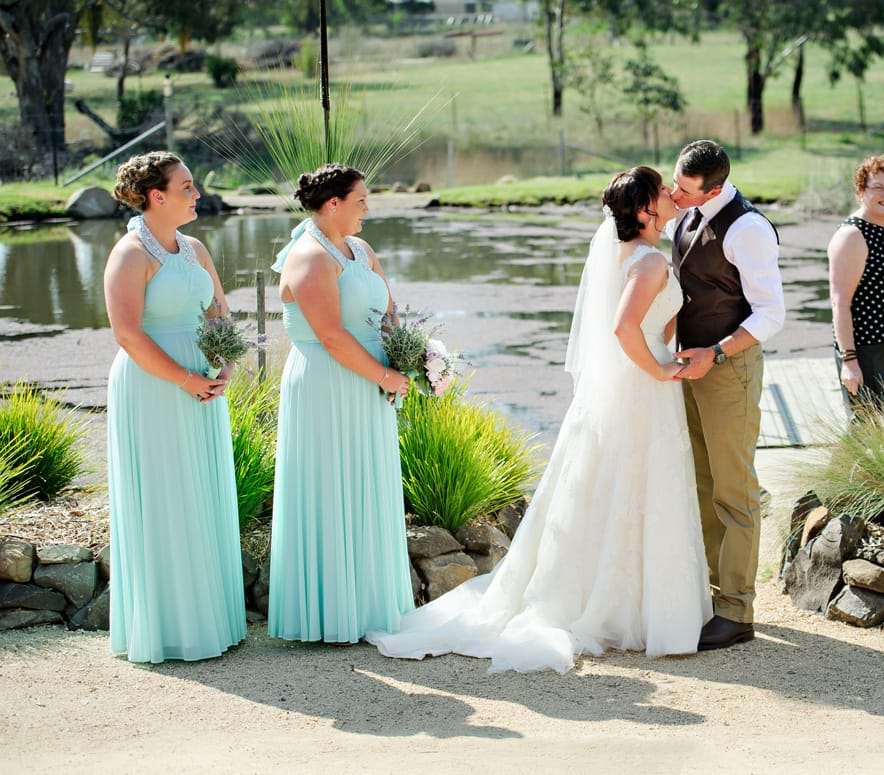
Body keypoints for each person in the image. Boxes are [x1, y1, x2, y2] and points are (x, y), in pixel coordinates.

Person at [368, 167, 712, 673]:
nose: (670, 194)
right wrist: (659, 368)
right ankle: (636, 608)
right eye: (662, 190)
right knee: (639, 484)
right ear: (645, 209)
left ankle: (624, 601)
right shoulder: (650, 262)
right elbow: (623, 328)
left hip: (630, 385)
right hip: (643, 384)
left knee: (617, 486)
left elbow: (640, 325)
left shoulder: (630, 255)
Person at [104, 151, 246, 663]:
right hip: (153, 384)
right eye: (187, 187)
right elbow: (127, 334)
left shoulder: (196, 249)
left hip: (203, 383)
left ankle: (210, 620)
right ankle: (169, 628)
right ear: (156, 196)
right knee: (166, 495)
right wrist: (185, 378)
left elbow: (219, 314)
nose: (197, 193)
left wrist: (225, 364)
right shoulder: (129, 254)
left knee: (200, 492)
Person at [267, 164, 415, 645]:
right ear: (333, 204)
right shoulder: (310, 257)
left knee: (366, 483)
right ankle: (328, 614)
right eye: (361, 200)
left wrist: (406, 355)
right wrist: (385, 375)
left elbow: (389, 310)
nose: (367, 208)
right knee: (330, 484)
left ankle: (370, 604)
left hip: (369, 381)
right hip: (327, 383)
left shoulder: (362, 250)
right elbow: (330, 336)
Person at [668, 140, 785, 651]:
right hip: (689, 367)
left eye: (684, 189)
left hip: (727, 368)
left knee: (733, 490)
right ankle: (715, 594)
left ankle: (737, 610)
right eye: (675, 181)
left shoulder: (748, 229)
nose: (674, 194)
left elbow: (771, 314)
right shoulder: (686, 213)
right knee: (701, 482)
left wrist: (714, 353)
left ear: (714, 191)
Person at [827, 155, 884, 416]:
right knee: (867, 427)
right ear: (861, 191)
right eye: (878, 187)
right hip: (864, 350)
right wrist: (849, 361)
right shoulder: (851, 236)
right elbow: (840, 303)